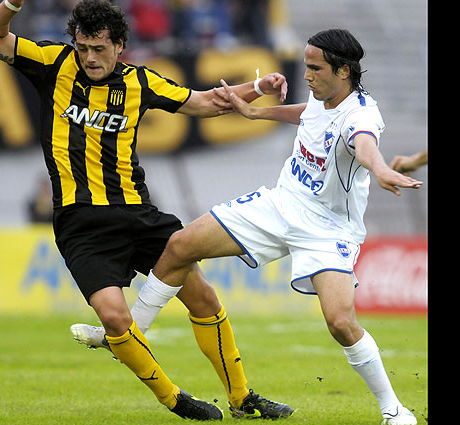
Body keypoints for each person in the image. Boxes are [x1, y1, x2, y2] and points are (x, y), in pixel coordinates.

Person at [77, 28, 422, 424]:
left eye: (315, 69)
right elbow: (309, 115)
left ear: (343, 71)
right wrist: (258, 113)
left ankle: (393, 410)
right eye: (306, 66)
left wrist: (379, 169)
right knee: (180, 245)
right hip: (280, 203)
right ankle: (129, 334)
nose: (306, 75)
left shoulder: (362, 115)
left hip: (327, 228)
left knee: (341, 323)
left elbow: (364, 144)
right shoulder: (323, 95)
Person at [0, 0, 292, 420]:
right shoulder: (53, 62)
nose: (89, 57)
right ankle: (175, 399)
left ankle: (241, 398)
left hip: (138, 214)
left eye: (99, 49)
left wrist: (258, 86)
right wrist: (13, 3)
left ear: (120, 45)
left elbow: (206, 103)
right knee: (113, 316)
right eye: (83, 47)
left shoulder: (141, 82)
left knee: (202, 296)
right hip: (80, 222)